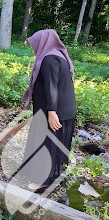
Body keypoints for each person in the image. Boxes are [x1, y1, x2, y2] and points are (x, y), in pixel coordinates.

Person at [21, 29, 76, 193]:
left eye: (35, 45)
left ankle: (44, 181)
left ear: (43, 42)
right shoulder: (59, 55)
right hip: (61, 110)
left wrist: (52, 111)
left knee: (49, 144)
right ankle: (50, 175)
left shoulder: (49, 59)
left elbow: (51, 86)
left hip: (55, 111)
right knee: (52, 144)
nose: (34, 49)